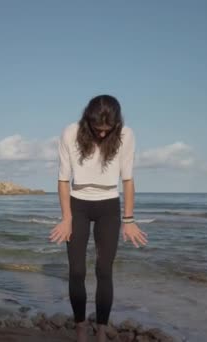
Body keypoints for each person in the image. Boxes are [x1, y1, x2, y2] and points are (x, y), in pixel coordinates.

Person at [50, 94, 148, 342]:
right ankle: (81, 326)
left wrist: (129, 219)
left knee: (104, 269)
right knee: (77, 271)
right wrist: (66, 218)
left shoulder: (126, 135)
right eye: (98, 129)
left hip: (108, 205)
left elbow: (127, 180)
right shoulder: (70, 133)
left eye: (108, 129)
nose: (103, 134)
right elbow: (63, 179)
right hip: (78, 203)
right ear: (88, 121)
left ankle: (102, 329)